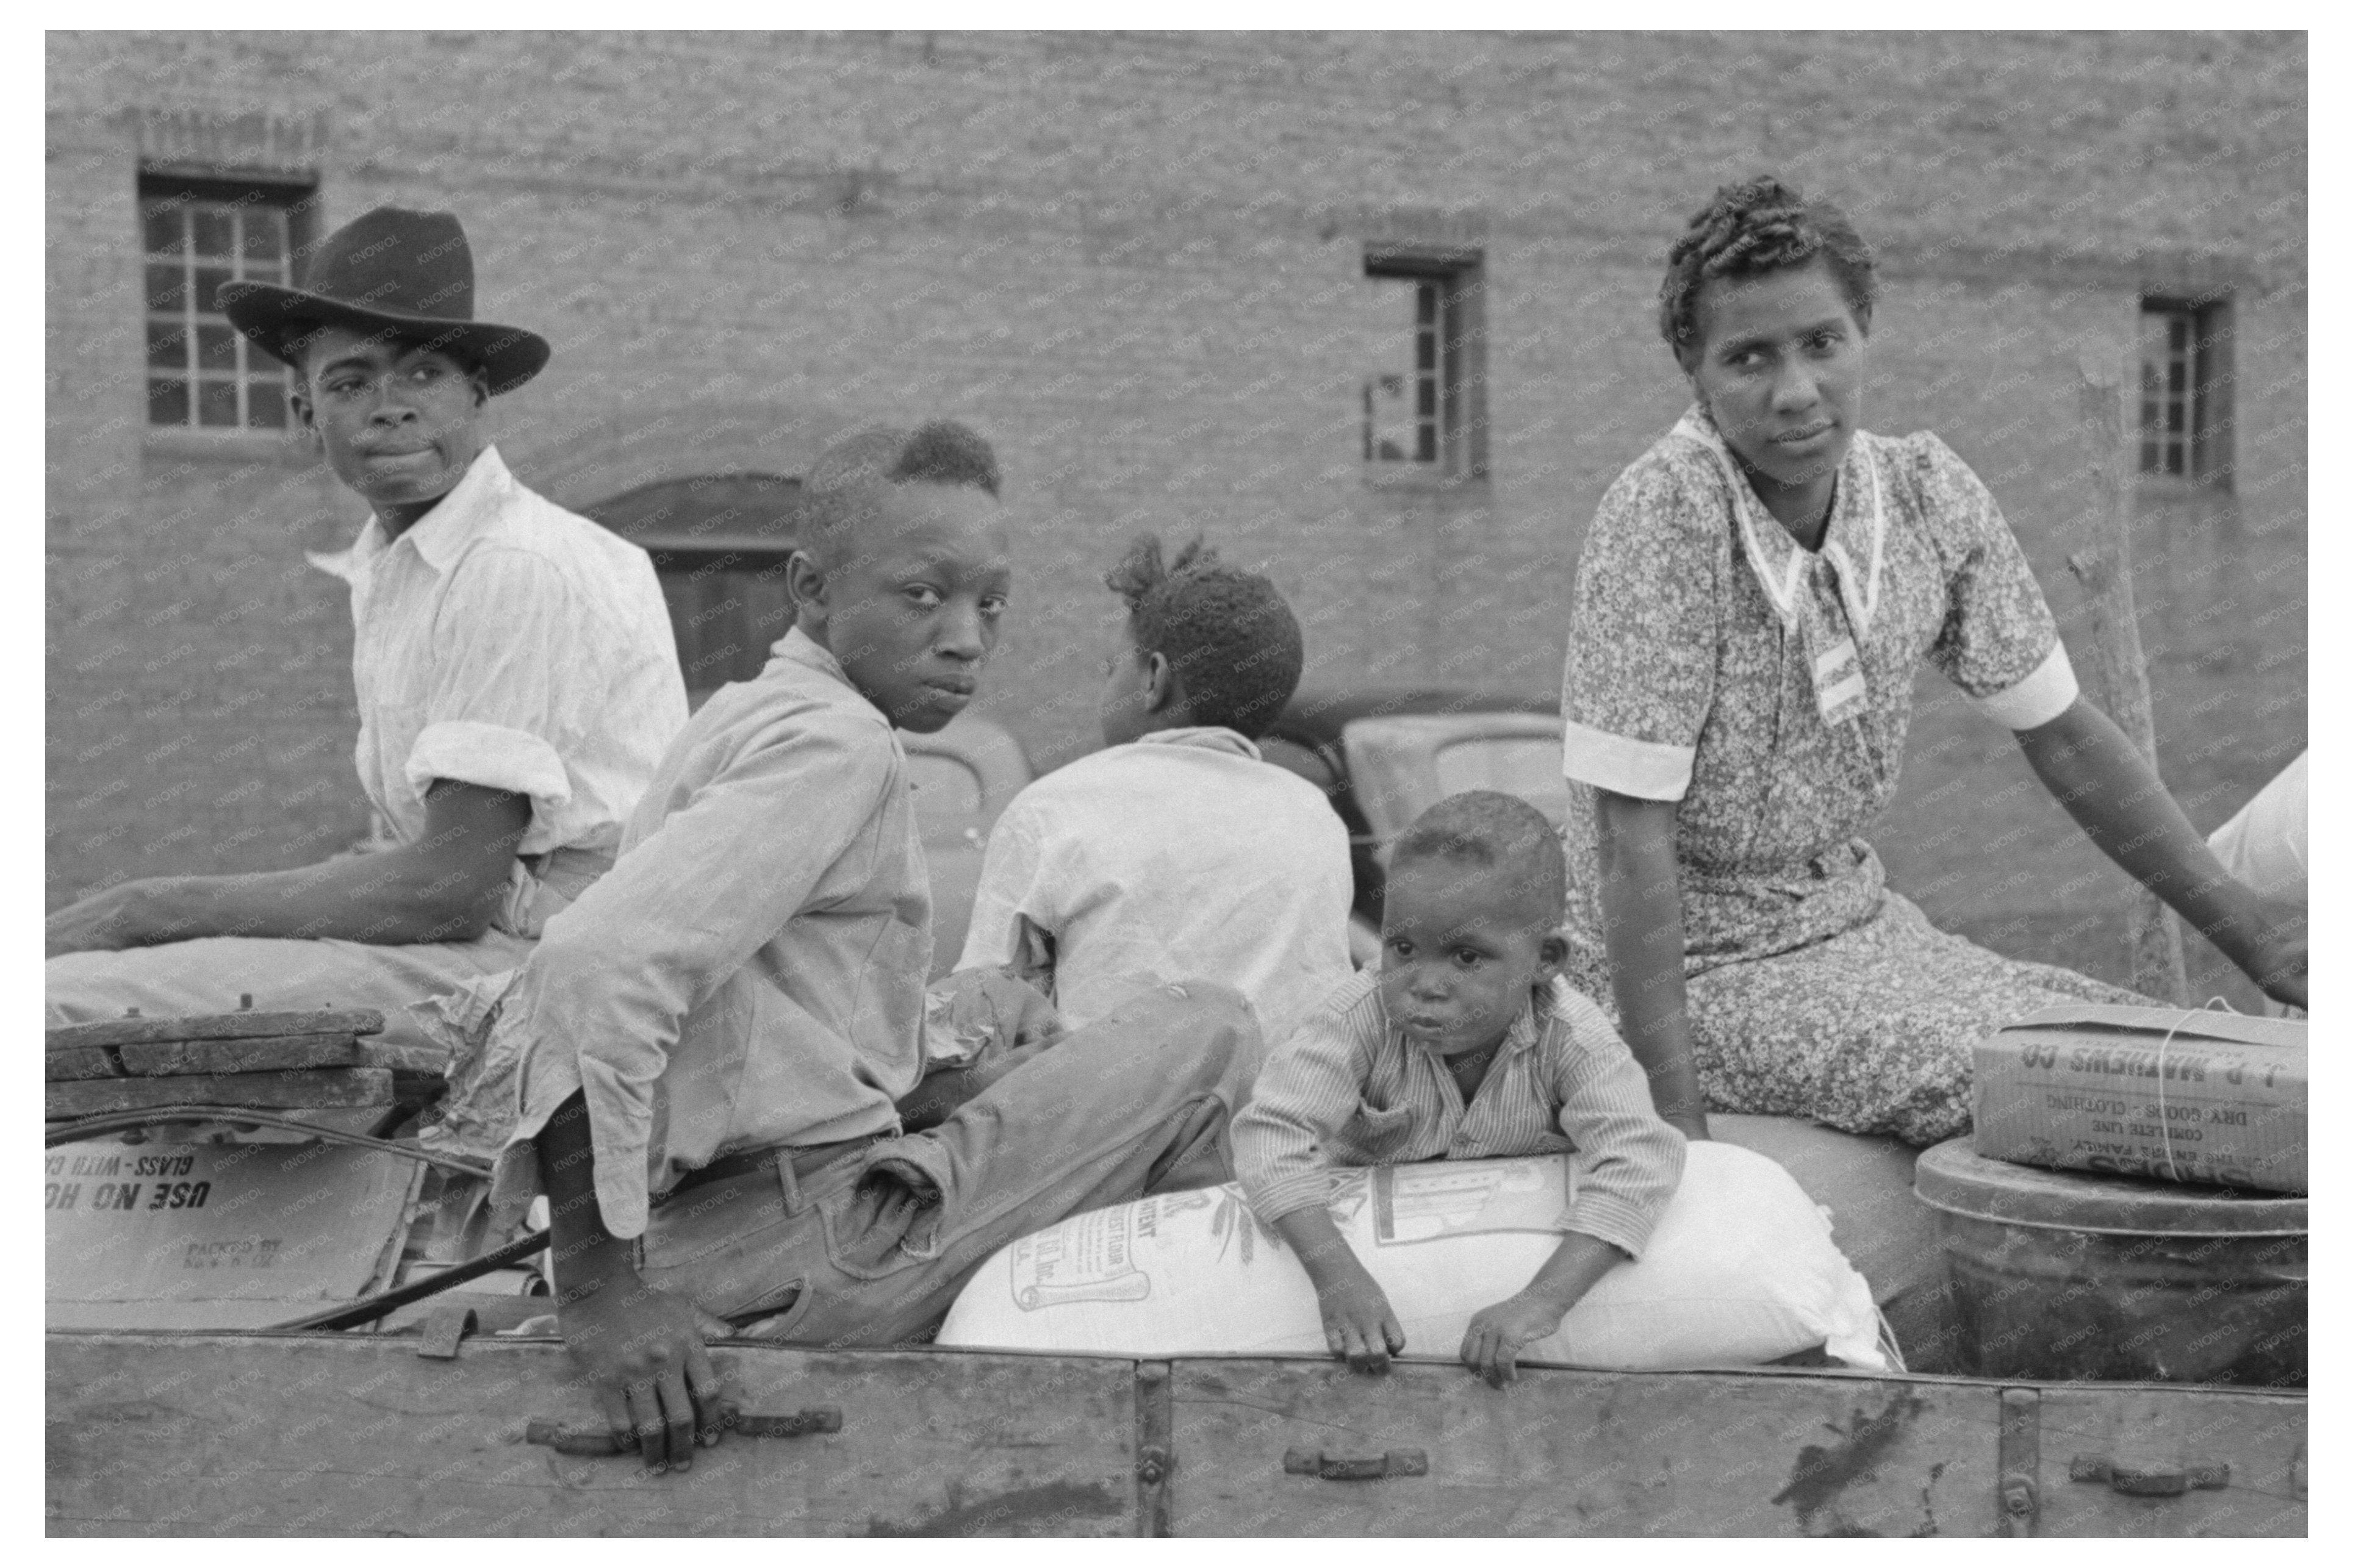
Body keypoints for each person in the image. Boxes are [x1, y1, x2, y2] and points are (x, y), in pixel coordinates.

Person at [486, 422, 1257, 1473]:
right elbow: (589, 964)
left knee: (1016, 1049)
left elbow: (763, 1016)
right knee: (1206, 1027)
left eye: (989, 603)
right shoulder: (835, 744)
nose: (964, 637)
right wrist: (600, 1289)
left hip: (734, 1226)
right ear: (811, 592)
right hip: (813, 1242)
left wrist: (953, 1063)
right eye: (921, 595)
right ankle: (1196, 1397)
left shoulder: (748, 715)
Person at [1558, 176, 2306, 1148]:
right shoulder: (1665, 520)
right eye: (1748, 358)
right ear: (1694, 372)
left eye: (1821, 343)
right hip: (1700, 970)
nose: (1795, 391)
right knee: (2083, 1088)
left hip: (1861, 928)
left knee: (2119, 1030)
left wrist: (2251, 930)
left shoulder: (1923, 496)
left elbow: (2067, 737)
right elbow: (1627, 839)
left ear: (1863, 331)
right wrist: (1675, 1124)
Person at [45, 206, 687, 1054]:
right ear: (306, 413)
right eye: (351, 383)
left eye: (424, 375)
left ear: (478, 399)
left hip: (554, 962)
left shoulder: (514, 562)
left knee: (50, 1002)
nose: (390, 409)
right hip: (475, 941)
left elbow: (445, 889)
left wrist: (142, 910)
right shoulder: (403, 561)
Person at [1235, 791, 1685, 1387]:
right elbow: (1272, 1134)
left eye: (1465, 957)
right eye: (1402, 948)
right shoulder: (1355, 1019)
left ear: (1544, 959)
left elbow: (1640, 1157)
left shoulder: (1572, 1038)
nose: (1423, 984)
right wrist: (1337, 1278)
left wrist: (1540, 1302)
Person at [955, 533, 1353, 1054]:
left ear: (1154, 679)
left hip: (1107, 1125)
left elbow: (983, 1010)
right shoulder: (1313, 816)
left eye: (1111, 667)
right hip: (1279, 1126)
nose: (1105, 684)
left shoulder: (1055, 806)